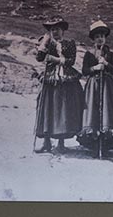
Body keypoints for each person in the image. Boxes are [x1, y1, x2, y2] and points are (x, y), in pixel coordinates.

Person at [32, 18, 85, 153]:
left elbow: (71, 61)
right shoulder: (47, 44)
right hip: (50, 78)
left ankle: (61, 143)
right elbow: (39, 58)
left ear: (63, 31)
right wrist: (43, 43)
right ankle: (46, 142)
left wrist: (54, 59)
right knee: (47, 108)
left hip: (65, 79)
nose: (55, 32)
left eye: (57, 29)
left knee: (62, 109)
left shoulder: (69, 44)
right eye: (52, 29)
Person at [76, 21, 113, 154]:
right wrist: (95, 67)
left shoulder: (110, 54)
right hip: (93, 86)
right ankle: (93, 143)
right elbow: (85, 71)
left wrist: (106, 63)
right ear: (93, 39)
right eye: (97, 36)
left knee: (107, 112)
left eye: (102, 36)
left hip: (107, 86)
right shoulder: (89, 53)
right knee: (93, 111)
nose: (100, 38)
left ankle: (106, 143)